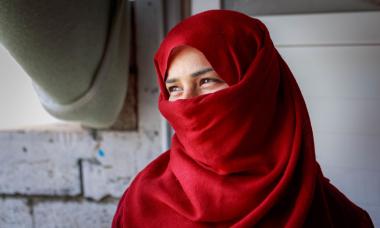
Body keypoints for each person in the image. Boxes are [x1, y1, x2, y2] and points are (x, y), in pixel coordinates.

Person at [112, 10, 374, 227]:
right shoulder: (141, 202)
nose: (188, 103)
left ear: (258, 88)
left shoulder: (338, 217)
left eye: (206, 81)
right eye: (175, 88)